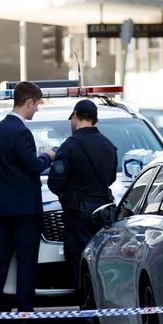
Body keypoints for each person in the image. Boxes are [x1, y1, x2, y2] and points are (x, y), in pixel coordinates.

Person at [0, 81, 55, 324]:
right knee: (26, 263)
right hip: (25, 210)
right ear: (29, 102)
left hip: (2, 209)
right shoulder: (21, 133)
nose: (36, 111)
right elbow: (33, 167)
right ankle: (25, 314)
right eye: (36, 106)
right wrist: (48, 156)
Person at [47, 99, 118, 303]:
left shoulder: (68, 146)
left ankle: (85, 312)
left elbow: (55, 184)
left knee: (79, 261)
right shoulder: (108, 145)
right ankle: (102, 307)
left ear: (76, 115)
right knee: (99, 262)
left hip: (77, 216)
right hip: (103, 214)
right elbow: (111, 178)